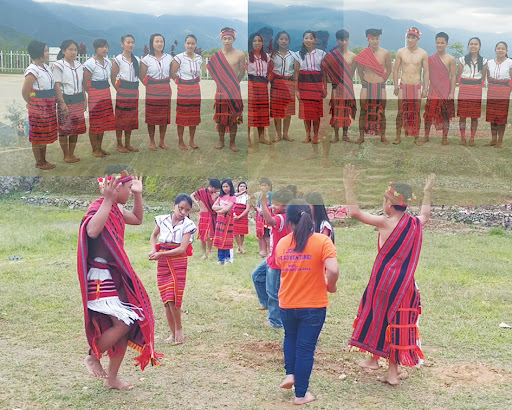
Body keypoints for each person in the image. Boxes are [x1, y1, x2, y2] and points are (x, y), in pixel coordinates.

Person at [343, 163, 435, 386]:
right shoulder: (415, 223)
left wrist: (349, 185)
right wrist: (427, 191)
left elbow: (353, 212)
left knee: (380, 318)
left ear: (391, 204)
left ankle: (384, 367)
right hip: (406, 286)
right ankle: (379, 363)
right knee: (396, 323)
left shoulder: (385, 222)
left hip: (384, 282)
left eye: (385, 200)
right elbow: (426, 214)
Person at [77, 172, 162, 390]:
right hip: (100, 277)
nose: (130, 190)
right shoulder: (99, 206)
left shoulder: (116, 208)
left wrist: (138, 195)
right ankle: (92, 356)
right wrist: (106, 199)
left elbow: (138, 218)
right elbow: (92, 231)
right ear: (115, 188)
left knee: (125, 326)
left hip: (113, 276)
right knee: (123, 323)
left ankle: (112, 378)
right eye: (128, 188)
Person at [274, 199, 339, 405]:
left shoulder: (282, 243)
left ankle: (290, 374)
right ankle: (301, 395)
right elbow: (334, 269)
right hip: (313, 305)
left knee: (290, 338)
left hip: (287, 303)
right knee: (305, 349)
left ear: (288, 221)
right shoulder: (322, 241)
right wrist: (331, 285)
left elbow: (280, 266)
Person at [149, 194, 197, 345]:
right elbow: (154, 236)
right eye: (180, 208)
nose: (182, 212)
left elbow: (182, 249)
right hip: (162, 261)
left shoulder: (188, 225)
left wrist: (160, 254)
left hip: (178, 262)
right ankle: (172, 333)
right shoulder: (162, 219)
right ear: (174, 206)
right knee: (166, 299)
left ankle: (179, 330)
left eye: (186, 210)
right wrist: (153, 250)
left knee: (175, 298)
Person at [251, 188, 294, 328]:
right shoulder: (284, 216)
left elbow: (268, 219)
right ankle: (265, 303)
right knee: (257, 276)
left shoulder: (282, 218)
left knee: (273, 291)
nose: (273, 207)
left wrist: (262, 202)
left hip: (277, 262)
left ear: (285, 206)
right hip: (272, 258)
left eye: (276, 204)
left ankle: (275, 321)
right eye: (272, 203)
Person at [206, 28, 245, 152]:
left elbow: (241, 73)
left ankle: (232, 143)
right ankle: (221, 141)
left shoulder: (240, 54)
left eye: (229, 38)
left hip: (234, 90)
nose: (227, 41)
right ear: (221, 39)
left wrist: (233, 84)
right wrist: (222, 83)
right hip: (221, 90)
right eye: (225, 38)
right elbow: (212, 71)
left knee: (234, 117)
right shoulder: (216, 56)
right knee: (220, 117)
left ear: (234, 39)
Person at [21, 40, 58, 170]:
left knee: (44, 134)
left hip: (49, 106)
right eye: (45, 51)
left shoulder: (46, 67)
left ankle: (44, 159)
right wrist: (32, 104)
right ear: (38, 52)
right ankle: (39, 162)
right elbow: (26, 91)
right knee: (38, 135)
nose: (47, 53)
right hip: (39, 107)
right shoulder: (32, 70)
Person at [355, 29, 392, 144]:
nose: (375, 41)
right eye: (372, 39)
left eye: (377, 39)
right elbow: (360, 71)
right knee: (363, 111)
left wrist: (382, 80)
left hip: (380, 85)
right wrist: (365, 81)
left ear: (379, 39)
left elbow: (389, 69)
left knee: (382, 111)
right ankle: (361, 136)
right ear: (368, 39)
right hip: (367, 85)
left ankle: (383, 136)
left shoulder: (385, 53)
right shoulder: (363, 54)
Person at [393, 27, 429, 144]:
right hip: (403, 86)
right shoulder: (401, 52)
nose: (410, 40)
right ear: (407, 38)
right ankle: (398, 136)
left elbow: (427, 72)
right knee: (400, 112)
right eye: (409, 37)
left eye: (413, 37)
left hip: (416, 86)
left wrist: (425, 89)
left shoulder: (423, 53)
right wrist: (396, 86)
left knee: (416, 113)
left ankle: (416, 137)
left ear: (418, 39)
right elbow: (395, 70)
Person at [294, 30, 327, 159]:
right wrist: (297, 90)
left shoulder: (321, 54)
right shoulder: (298, 55)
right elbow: (296, 74)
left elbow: (324, 73)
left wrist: (324, 87)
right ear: (303, 40)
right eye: (306, 38)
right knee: (306, 113)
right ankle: (308, 134)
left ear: (314, 40)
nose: (308, 40)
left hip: (316, 85)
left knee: (316, 113)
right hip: (304, 85)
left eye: (310, 38)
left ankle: (316, 134)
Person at [53, 39, 86, 163]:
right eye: (70, 49)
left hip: (78, 99)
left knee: (76, 129)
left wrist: (84, 99)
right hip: (66, 100)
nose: (73, 52)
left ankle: (72, 153)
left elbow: (82, 84)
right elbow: (57, 85)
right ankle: (66, 154)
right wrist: (61, 103)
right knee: (65, 129)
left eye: (75, 50)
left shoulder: (79, 66)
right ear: (63, 51)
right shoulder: (59, 65)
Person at [321, 29, 357, 144]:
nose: (344, 43)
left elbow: (351, 73)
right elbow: (324, 69)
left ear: (349, 40)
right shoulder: (331, 56)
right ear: (337, 40)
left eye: (346, 40)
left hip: (348, 87)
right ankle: (336, 135)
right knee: (336, 111)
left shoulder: (353, 56)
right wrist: (327, 86)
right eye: (341, 40)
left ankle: (345, 135)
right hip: (336, 87)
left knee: (346, 110)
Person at [421, 32, 456, 145]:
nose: (439, 45)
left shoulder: (451, 59)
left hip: (445, 90)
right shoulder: (430, 58)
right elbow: (426, 75)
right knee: (429, 115)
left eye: (442, 43)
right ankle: (426, 136)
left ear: (447, 44)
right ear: (435, 43)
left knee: (445, 115)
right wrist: (425, 89)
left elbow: (453, 76)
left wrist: (452, 92)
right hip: (433, 90)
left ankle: (444, 138)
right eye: (437, 42)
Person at [140, 33, 173, 151]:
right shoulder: (146, 60)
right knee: (151, 117)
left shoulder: (169, 58)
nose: (159, 44)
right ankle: (152, 142)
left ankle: (162, 142)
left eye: (161, 41)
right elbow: (142, 76)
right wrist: (151, 86)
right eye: (157, 41)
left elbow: (172, 73)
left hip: (165, 90)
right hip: (152, 91)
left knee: (164, 117)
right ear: (152, 43)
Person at [83, 38, 116, 158]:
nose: (104, 49)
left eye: (106, 46)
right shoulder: (89, 63)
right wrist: (92, 94)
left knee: (103, 123)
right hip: (95, 95)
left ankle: (99, 147)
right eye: (102, 47)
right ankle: (94, 149)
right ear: (96, 48)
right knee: (95, 123)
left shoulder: (108, 62)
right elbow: (85, 82)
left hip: (106, 93)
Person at [171, 34, 203, 150]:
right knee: (182, 115)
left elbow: (199, 73)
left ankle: (191, 140)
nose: (190, 45)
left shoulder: (199, 58)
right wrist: (180, 82)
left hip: (195, 88)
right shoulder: (179, 58)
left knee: (194, 115)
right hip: (183, 89)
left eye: (192, 43)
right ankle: (180, 141)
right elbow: (172, 73)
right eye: (188, 43)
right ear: (185, 44)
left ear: (195, 44)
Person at [111, 34, 140, 153]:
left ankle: (128, 143)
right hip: (123, 90)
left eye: (132, 42)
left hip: (134, 91)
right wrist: (119, 89)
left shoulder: (137, 60)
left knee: (130, 118)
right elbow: (113, 77)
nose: (131, 45)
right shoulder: (118, 59)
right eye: (128, 42)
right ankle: (119, 144)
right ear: (122, 44)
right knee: (120, 117)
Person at [457, 37, 487, 147]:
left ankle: (472, 138)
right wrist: (464, 86)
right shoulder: (462, 60)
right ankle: (463, 138)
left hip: (476, 88)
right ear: (468, 46)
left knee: (474, 116)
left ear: (480, 47)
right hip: (464, 88)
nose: (473, 46)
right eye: (471, 44)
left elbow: (483, 77)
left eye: (476, 44)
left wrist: (477, 87)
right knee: (462, 115)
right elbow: (459, 76)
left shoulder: (484, 61)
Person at [247, 32, 272, 153]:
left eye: (259, 41)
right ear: (251, 43)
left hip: (263, 86)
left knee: (262, 111)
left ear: (262, 43)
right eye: (254, 41)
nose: (257, 43)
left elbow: (269, 72)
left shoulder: (266, 57)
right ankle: (247, 138)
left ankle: (262, 136)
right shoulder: (247, 57)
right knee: (251, 112)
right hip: (252, 86)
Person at [269, 31, 295, 143]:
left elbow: (297, 71)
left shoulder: (294, 55)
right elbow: (269, 71)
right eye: (281, 39)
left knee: (288, 111)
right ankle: (278, 134)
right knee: (277, 111)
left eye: (286, 39)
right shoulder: (272, 55)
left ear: (289, 41)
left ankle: (285, 134)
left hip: (289, 83)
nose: (284, 41)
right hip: (277, 84)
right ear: (277, 41)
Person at [485, 41, 512, 148]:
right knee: (492, 116)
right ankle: (493, 139)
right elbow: (488, 77)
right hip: (492, 91)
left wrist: (508, 90)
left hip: (503, 91)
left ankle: (500, 141)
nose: (500, 50)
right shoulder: (490, 62)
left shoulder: (510, 62)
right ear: (495, 50)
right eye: (498, 48)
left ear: (506, 51)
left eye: (503, 49)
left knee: (501, 117)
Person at [191, 179, 221, 259]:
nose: (216, 190)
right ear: (211, 186)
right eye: (216, 188)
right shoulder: (202, 192)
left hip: (211, 215)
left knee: (209, 235)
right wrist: (196, 202)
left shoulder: (216, 194)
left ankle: (210, 251)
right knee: (202, 235)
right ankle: (204, 253)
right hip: (202, 215)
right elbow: (192, 195)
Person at [212, 178, 236, 264]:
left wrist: (219, 210)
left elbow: (227, 208)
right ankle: (220, 259)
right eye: (223, 186)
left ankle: (228, 258)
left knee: (227, 238)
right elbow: (213, 207)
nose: (225, 188)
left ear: (230, 187)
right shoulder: (220, 197)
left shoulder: (233, 197)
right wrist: (222, 209)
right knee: (219, 238)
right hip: (220, 220)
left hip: (228, 220)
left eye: (227, 186)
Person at [253, 177, 273, 258]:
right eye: (262, 185)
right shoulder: (258, 195)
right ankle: (262, 250)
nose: (263, 187)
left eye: (265, 185)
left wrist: (265, 210)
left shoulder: (271, 195)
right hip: (260, 217)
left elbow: (273, 205)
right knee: (261, 234)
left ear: (269, 186)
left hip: (267, 216)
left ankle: (270, 251)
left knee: (267, 235)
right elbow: (256, 205)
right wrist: (258, 209)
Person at [233, 181, 250, 254]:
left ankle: (240, 247)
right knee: (235, 232)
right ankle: (240, 247)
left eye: (244, 186)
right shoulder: (234, 195)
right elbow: (231, 205)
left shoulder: (248, 197)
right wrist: (234, 215)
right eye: (240, 186)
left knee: (242, 232)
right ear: (238, 188)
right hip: (235, 214)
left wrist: (240, 216)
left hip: (243, 215)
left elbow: (247, 208)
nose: (242, 188)